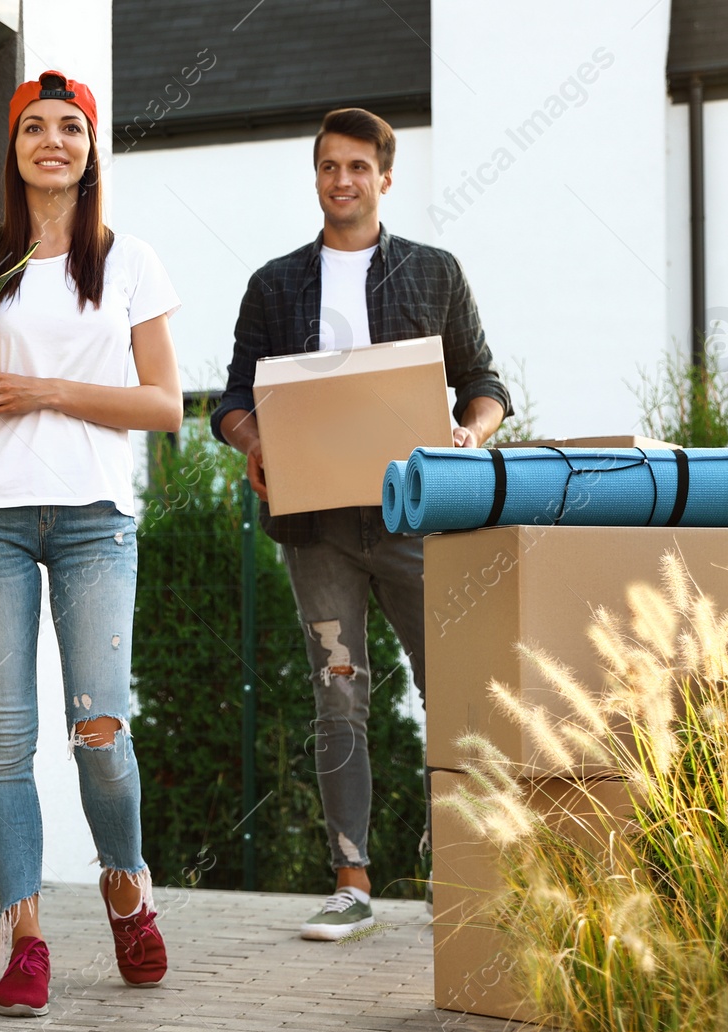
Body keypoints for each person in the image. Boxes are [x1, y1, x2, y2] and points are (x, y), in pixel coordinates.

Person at [0, 70, 182, 1017]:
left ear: (91, 147)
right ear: (12, 148)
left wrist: (43, 392)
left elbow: (164, 404)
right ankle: (23, 936)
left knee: (99, 731)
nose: (51, 141)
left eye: (70, 127)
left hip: (95, 517)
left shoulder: (128, 259)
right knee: (8, 739)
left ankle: (127, 886)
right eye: (33, 128)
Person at [211, 108, 510, 941]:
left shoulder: (434, 272)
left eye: (356, 167)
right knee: (337, 695)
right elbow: (232, 398)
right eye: (327, 167)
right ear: (316, 177)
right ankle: (352, 881)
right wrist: (253, 436)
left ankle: (463, 867)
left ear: (385, 177)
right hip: (318, 529)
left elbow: (484, 383)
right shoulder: (275, 285)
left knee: (449, 689)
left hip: (417, 519)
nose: (341, 180)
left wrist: (468, 433)